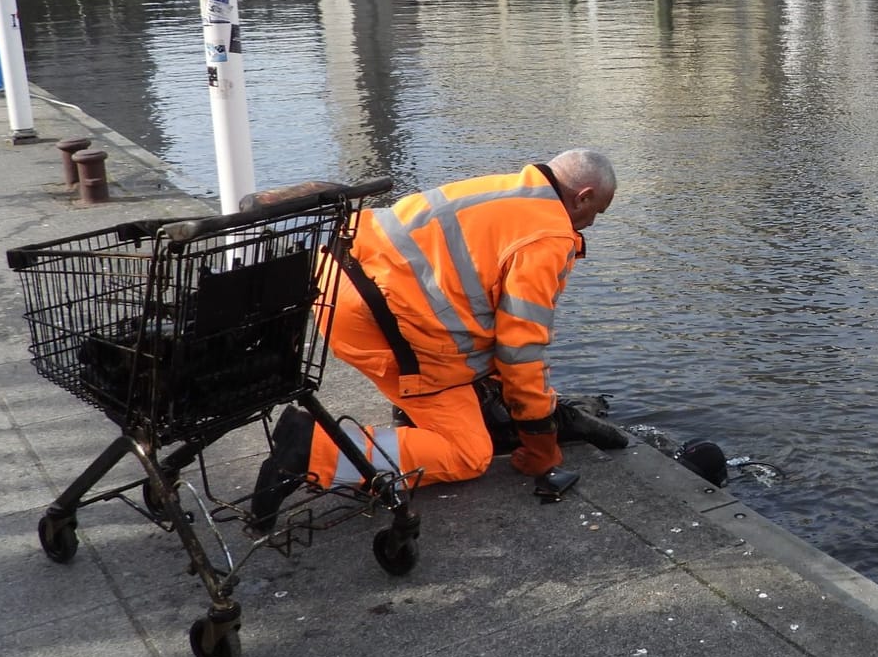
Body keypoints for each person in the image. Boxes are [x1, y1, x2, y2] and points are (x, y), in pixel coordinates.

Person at [252, 149, 629, 530]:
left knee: (470, 375)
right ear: (582, 196)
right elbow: (520, 350)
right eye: (595, 212)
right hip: (381, 319)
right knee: (468, 454)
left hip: (336, 274)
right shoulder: (547, 237)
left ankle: (411, 411)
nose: (591, 224)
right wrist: (542, 448)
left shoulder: (506, 189)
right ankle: (312, 448)